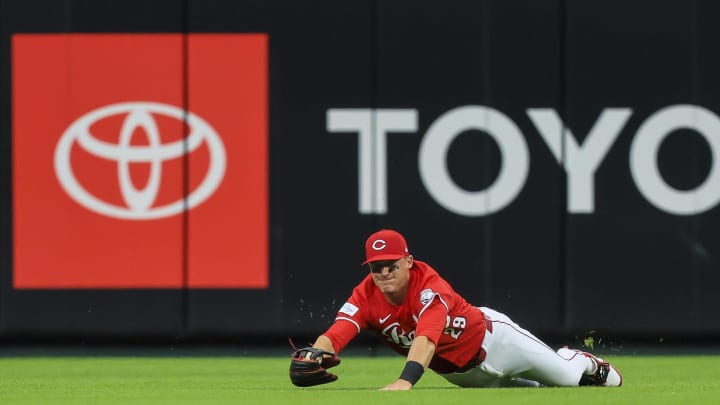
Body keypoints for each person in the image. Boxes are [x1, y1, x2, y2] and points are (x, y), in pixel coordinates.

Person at [288, 229, 623, 390]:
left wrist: (406, 381)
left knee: (565, 379)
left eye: (390, 264)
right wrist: (317, 352)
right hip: (462, 375)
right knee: (532, 395)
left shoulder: (430, 288)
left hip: (497, 342)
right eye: (376, 267)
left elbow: (426, 339)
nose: (383, 273)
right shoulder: (365, 294)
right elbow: (339, 330)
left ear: (408, 260)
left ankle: (579, 358)